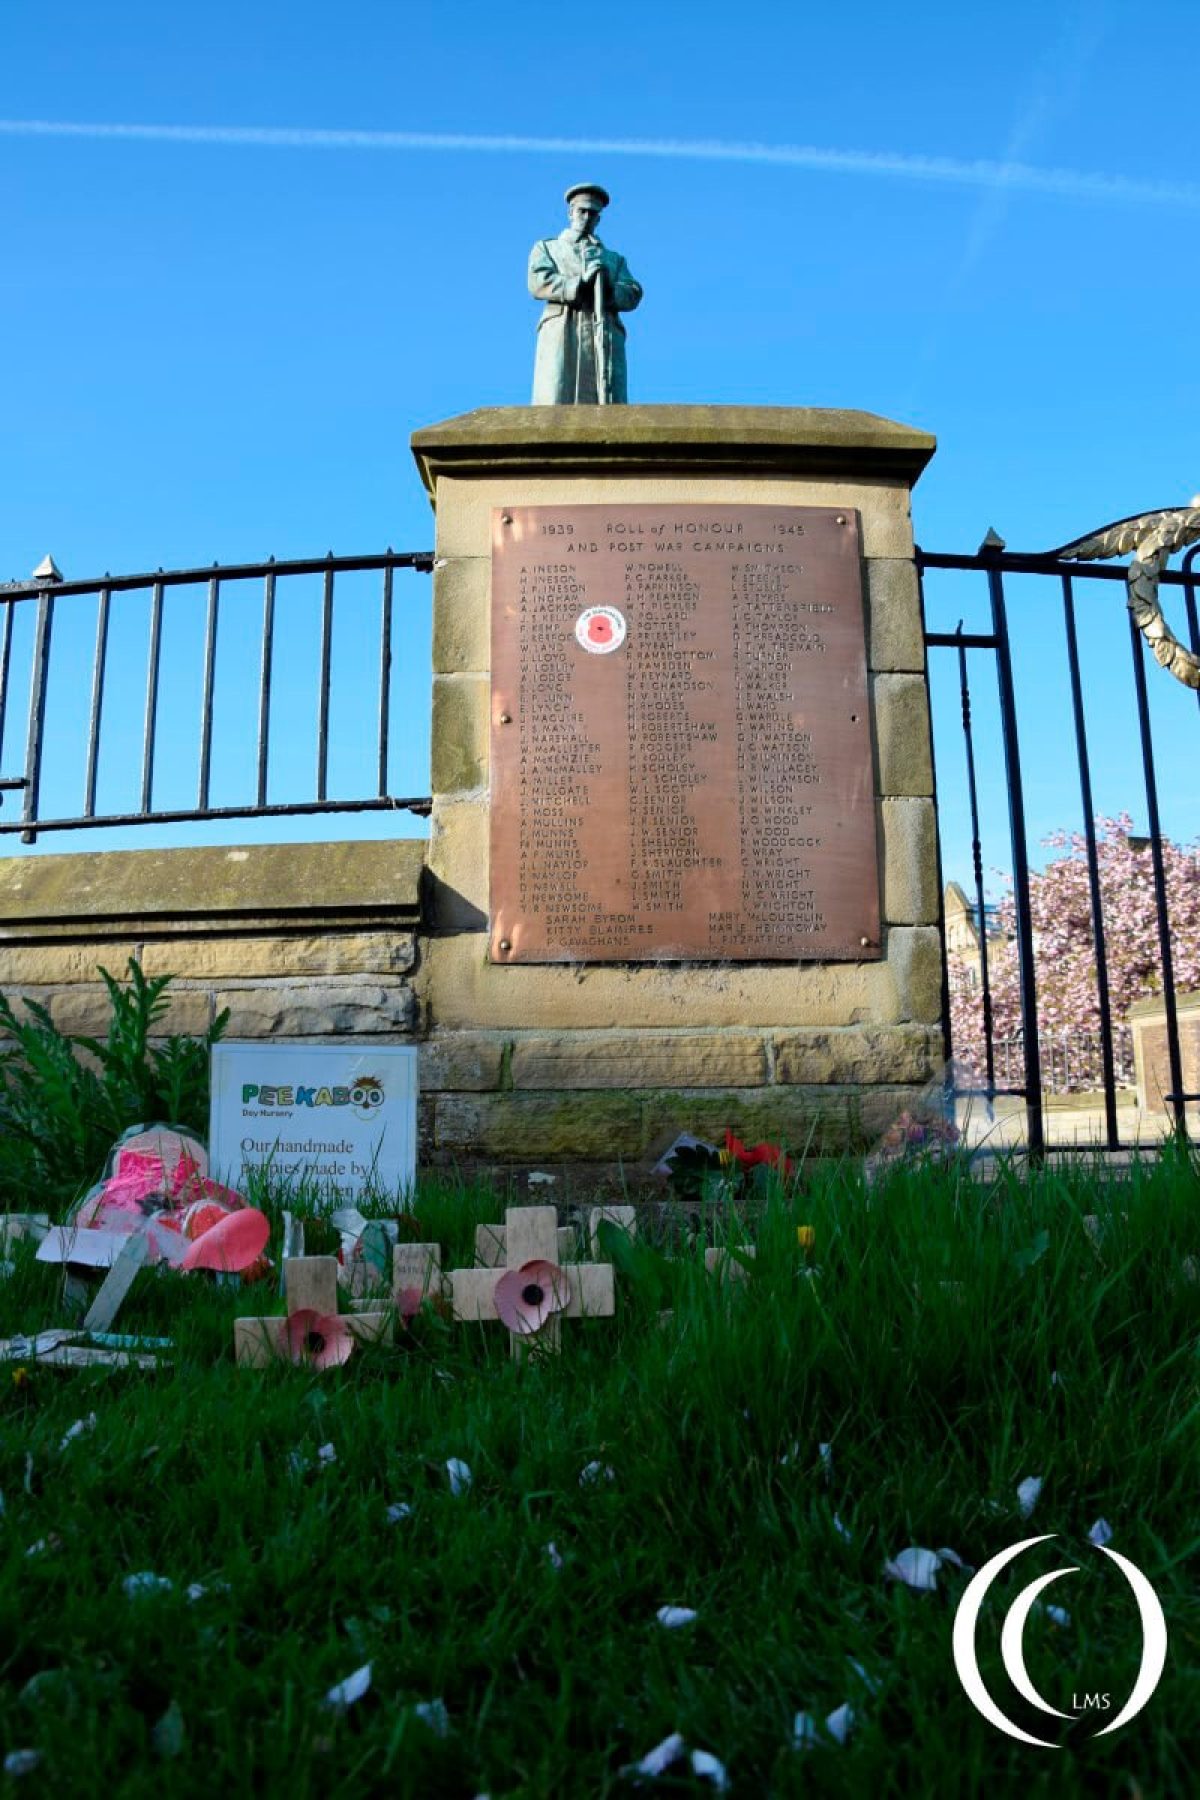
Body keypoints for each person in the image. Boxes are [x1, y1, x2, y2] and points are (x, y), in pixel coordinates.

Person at [528, 184, 643, 404]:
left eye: (593, 213)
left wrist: (608, 287)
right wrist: (579, 283)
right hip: (563, 327)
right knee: (556, 398)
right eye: (582, 211)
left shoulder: (613, 259)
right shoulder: (548, 248)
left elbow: (633, 292)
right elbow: (538, 281)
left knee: (605, 402)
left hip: (603, 330)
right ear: (570, 212)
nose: (587, 217)